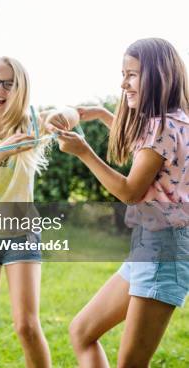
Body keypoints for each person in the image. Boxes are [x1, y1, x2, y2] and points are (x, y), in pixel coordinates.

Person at [55, 38, 189, 367]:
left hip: (163, 252)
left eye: (132, 74)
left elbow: (130, 190)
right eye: (123, 73)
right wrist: (102, 114)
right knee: (82, 331)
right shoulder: (177, 120)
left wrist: (84, 152)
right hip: (152, 248)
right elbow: (147, 152)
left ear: (158, 76)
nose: (123, 82)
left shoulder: (160, 127)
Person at [0, 56, 78, 368]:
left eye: (9, 84)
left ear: (20, 90)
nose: (0, 89)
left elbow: (71, 114)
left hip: (22, 236)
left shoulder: (30, 127)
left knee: (26, 326)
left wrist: (65, 114)